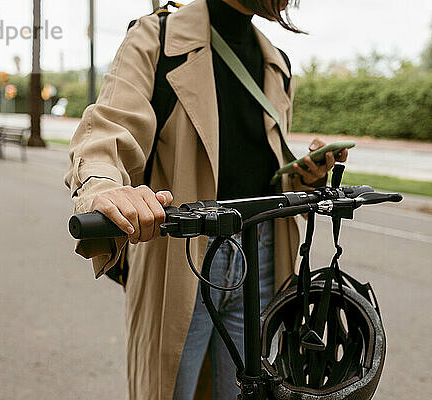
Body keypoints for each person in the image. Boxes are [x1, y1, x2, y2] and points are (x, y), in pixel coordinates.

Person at [64, 0, 348, 398]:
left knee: (248, 392)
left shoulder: (277, 63)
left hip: (262, 257)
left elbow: (251, 164)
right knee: (170, 389)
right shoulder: (156, 38)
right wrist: (104, 187)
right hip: (182, 257)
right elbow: (107, 131)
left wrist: (303, 175)